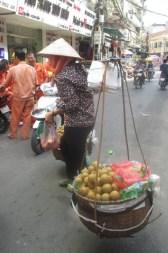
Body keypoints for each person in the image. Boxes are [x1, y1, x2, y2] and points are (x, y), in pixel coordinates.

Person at [38, 38, 95, 185]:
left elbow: (73, 103)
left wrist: (54, 112)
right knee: (67, 147)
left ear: (59, 58)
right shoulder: (79, 68)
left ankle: (80, 186)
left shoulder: (62, 76)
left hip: (78, 121)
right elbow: (80, 95)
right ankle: (75, 176)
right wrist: (61, 103)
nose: (49, 60)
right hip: (88, 118)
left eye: (51, 57)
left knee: (72, 152)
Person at [0, 49, 36, 139]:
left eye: (14, 58)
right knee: (27, 116)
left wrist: (1, 88)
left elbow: (5, 84)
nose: (13, 60)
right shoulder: (32, 69)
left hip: (18, 97)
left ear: (17, 57)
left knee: (15, 116)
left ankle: (13, 134)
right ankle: (25, 135)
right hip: (30, 97)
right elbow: (35, 83)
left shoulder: (13, 69)